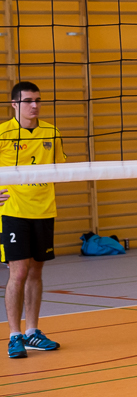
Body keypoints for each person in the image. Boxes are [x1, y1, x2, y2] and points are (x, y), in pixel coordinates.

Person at [2, 82, 66, 360]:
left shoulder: (51, 132)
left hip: (44, 211)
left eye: (38, 100)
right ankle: (14, 335)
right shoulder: (3, 133)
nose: (35, 105)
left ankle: (32, 332)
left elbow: (61, 169)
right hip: (13, 211)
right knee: (18, 273)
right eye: (28, 101)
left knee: (36, 273)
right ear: (14, 104)